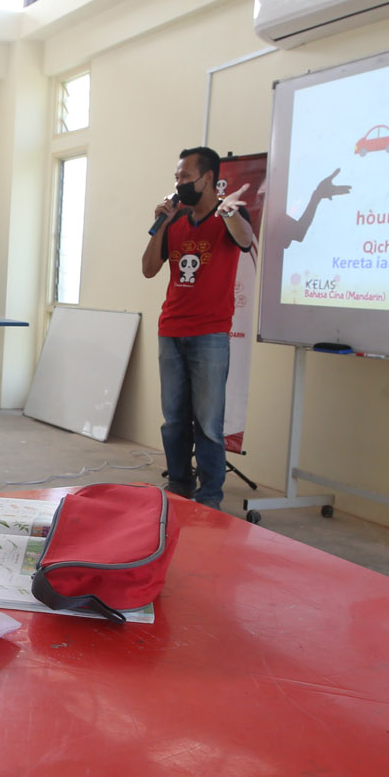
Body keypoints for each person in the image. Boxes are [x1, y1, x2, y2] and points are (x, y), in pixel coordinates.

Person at [140, 146, 256, 508]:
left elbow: (244, 239)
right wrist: (160, 223)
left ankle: (209, 498)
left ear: (208, 178)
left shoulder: (230, 215)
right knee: (174, 419)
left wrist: (228, 213)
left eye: (185, 177)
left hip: (210, 334)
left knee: (207, 422)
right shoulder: (175, 220)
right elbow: (148, 268)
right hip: (171, 329)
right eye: (177, 177)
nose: (179, 183)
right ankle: (179, 486)